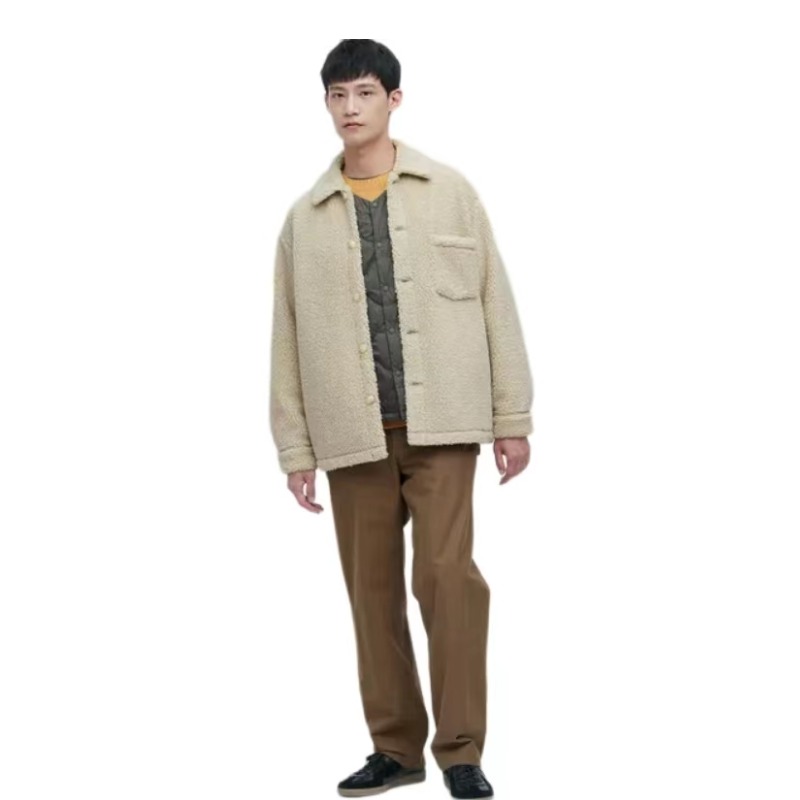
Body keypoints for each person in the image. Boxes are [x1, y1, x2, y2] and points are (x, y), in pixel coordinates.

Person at [269, 38, 534, 799]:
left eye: (364, 93)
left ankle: (461, 751)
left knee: (449, 582)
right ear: (326, 104)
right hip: (351, 433)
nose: (350, 108)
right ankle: (395, 749)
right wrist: (296, 449)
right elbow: (286, 336)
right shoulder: (305, 219)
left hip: (443, 423)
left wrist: (511, 415)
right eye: (337, 95)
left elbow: (495, 301)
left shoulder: (449, 191)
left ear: (393, 99)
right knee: (372, 594)